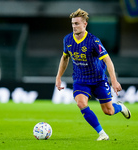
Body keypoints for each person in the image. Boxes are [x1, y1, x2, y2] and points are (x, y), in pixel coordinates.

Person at [55, 8, 131, 141]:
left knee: (109, 111)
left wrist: (114, 80)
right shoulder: (67, 39)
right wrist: (58, 77)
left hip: (98, 80)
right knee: (81, 103)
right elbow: (65, 58)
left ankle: (119, 107)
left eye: (77, 23)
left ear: (85, 24)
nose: (74, 26)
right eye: (73, 23)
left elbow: (107, 60)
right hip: (80, 79)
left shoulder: (93, 41)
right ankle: (102, 134)